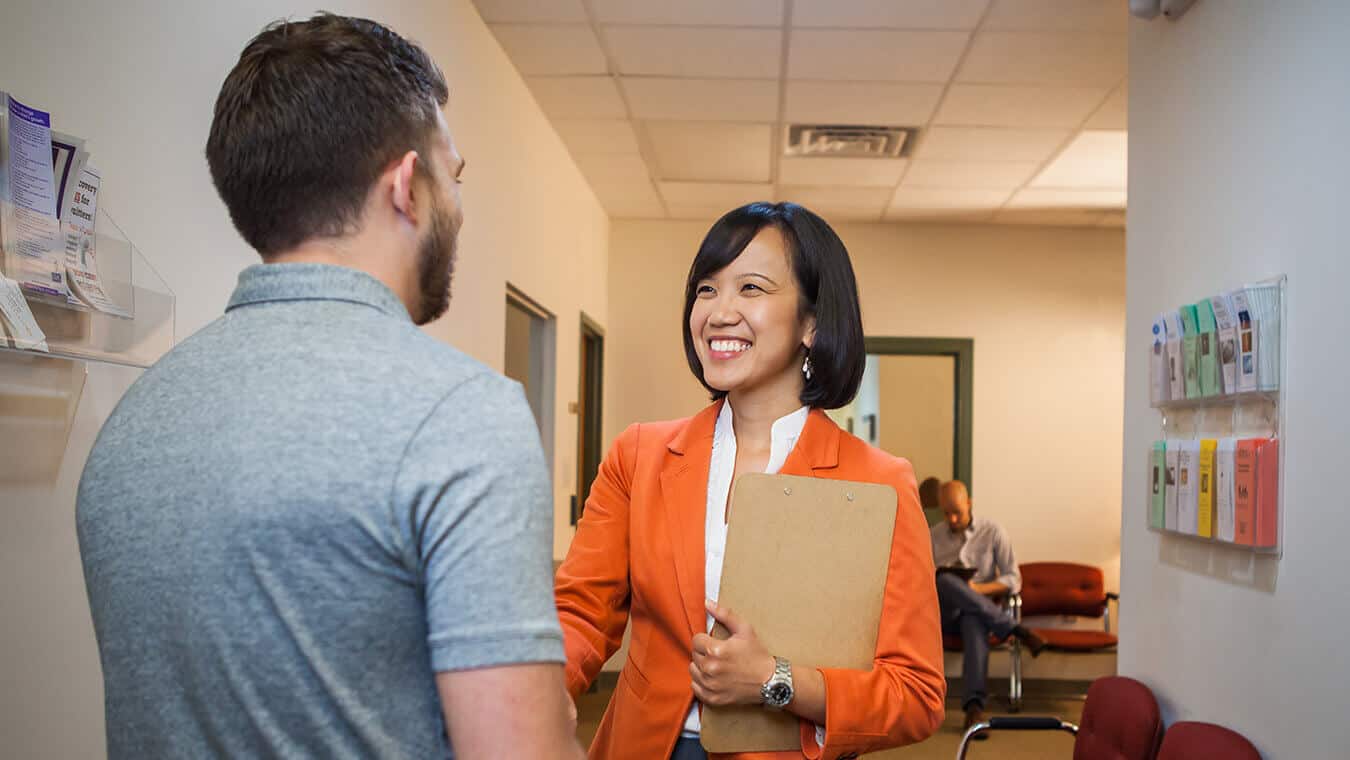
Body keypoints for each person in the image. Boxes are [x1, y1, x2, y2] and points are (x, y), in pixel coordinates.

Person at [76, 14, 584, 759]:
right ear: (408, 187)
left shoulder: (134, 417)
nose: (460, 204)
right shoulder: (462, 414)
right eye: (455, 175)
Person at [554, 203, 946, 760]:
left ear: (811, 322)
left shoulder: (878, 484)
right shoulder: (639, 455)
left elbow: (916, 693)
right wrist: (551, 682)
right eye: (706, 289)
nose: (718, 312)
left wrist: (776, 681)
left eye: (752, 288)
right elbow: (582, 610)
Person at [931, 480, 1046, 736]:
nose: (951, 519)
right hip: (944, 614)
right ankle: (1016, 630)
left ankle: (974, 709)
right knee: (944, 580)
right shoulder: (934, 535)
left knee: (975, 619)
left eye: (957, 512)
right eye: (946, 513)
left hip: (979, 610)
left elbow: (1013, 579)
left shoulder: (992, 531)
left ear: (969, 503)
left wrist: (976, 591)